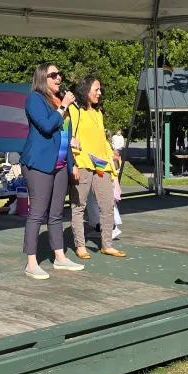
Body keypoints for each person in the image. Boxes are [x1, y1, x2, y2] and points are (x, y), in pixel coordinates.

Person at [20, 62, 84, 279]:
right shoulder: (35, 99)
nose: (59, 78)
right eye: (53, 75)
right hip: (39, 163)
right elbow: (46, 126)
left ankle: (60, 257)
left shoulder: (60, 102)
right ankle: (31, 262)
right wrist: (63, 107)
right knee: (37, 213)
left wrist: (72, 149)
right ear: (42, 78)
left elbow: (62, 133)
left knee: (56, 213)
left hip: (60, 164)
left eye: (60, 74)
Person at [69, 75, 126, 259]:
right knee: (79, 206)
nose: (100, 93)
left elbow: (102, 141)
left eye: (100, 90)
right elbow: (64, 131)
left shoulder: (98, 113)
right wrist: (72, 153)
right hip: (83, 163)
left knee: (108, 205)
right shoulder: (74, 110)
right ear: (86, 90)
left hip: (102, 165)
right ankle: (80, 246)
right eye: (96, 89)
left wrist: (112, 156)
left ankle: (107, 245)